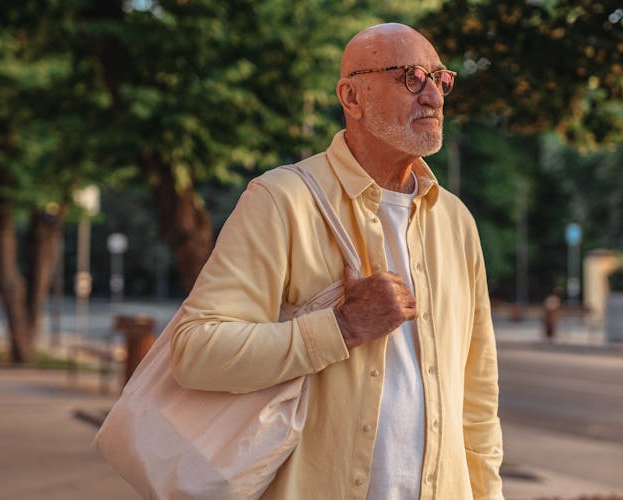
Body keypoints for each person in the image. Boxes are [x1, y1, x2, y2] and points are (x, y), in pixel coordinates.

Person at [170, 22, 503, 500]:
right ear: (352, 97)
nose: (433, 96)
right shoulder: (281, 200)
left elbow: (477, 398)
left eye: (440, 78)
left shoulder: (455, 220)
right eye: (411, 77)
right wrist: (342, 328)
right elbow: (194, 352)